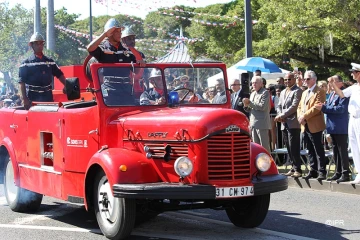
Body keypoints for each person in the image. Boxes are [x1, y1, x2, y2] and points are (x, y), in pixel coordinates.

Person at [87, 18, 144, 105]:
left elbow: (136, 70)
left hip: (126, 89)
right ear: (109, 33)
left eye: (120, 31)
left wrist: (140, 63)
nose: (119, 34)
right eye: (116, 31)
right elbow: (90, 48)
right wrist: (104, 34)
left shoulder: (127, 50)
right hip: (110, 90)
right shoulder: (103, 49)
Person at [329, 63, 360, 184]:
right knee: (354, 145)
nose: (351, 74)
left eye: (353, 72)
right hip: (352, 118)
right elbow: (341, 94)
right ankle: (359, 172)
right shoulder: (354, 87)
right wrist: (332, 84)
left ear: (358, 73)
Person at [315, 75, 350, 183]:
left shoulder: (344, 93)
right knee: (335, 150)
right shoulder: (332, 94)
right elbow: (329, 106)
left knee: (342, 150)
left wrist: (324, 108)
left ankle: (345, 172)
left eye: (333, 81)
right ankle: (338, 171)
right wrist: (323, 106)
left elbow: (340, 109)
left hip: (340, 127)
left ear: (340, 83)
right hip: (332, 126)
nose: (330, 84)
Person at [18, 32, 66, 109]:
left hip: (48, 96)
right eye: (37, 44)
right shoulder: (25, 63)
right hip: (32, 97)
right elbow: (21, 82)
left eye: (41, 44)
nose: (40, 46)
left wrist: (66, 85)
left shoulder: (50, 61)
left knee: (49, 118)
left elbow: (59, 74)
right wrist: (24, 99)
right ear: (32, 45)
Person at [297, 70, 327, 180]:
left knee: (318, 148)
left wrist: (304, 116)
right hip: (305, 125)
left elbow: (317, 107)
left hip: (315, 124)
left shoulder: (320, 91)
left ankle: (322, 171)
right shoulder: (305, 92)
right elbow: (300, 106)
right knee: (309, 149)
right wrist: (300, 116)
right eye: (304, 79)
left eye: (307, 79)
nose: (305, 81)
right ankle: (313, 170)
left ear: (314, 79)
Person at [275, 73, 303, 178]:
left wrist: (282, 115)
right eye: (286, 79)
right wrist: (279, 115)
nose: (287, 81)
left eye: (289, 79)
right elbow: (279, 105)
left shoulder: (298, 91)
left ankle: (298, 169)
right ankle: (292, 167)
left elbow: (294, 106)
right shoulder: (283, 92)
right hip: (284, 122)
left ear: (294, 79)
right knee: (288, 147)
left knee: (294, 146)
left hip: (293, 122)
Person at [243, 76, 271, 153]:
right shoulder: (252, 94)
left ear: (261, 84)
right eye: (252, 83)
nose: (253, 84)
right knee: (256, 147)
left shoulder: (265, 93)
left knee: (264, 147)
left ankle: (268, 163)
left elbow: (262, 107)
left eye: (256, 82)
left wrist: (249, 103)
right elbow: (250, 109)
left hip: (262, 124)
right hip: (253, 124)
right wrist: (245, 105)